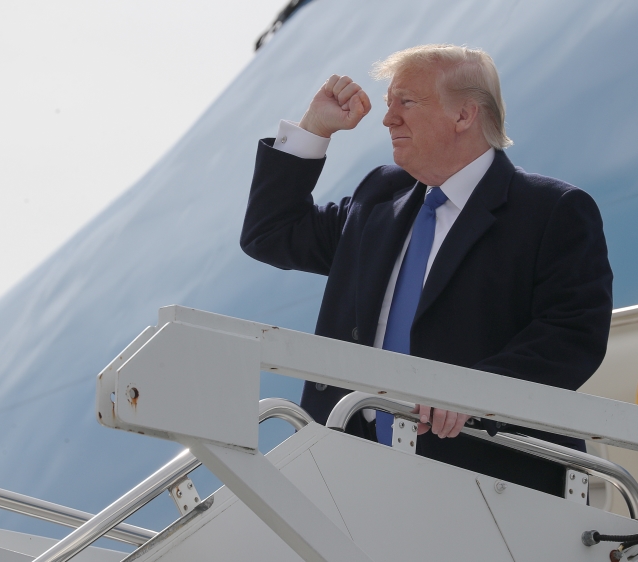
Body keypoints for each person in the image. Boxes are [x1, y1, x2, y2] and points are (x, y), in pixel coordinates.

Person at [240, 44, 613, 497]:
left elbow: (572, 333)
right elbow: (270, 233)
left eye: (406, 102)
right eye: (388, 103)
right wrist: (314, 129)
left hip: (487, 485)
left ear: (464, 116)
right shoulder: (378, 198)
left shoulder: (551, 211)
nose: (387, 118)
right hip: (348, 477)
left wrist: (475, 392)